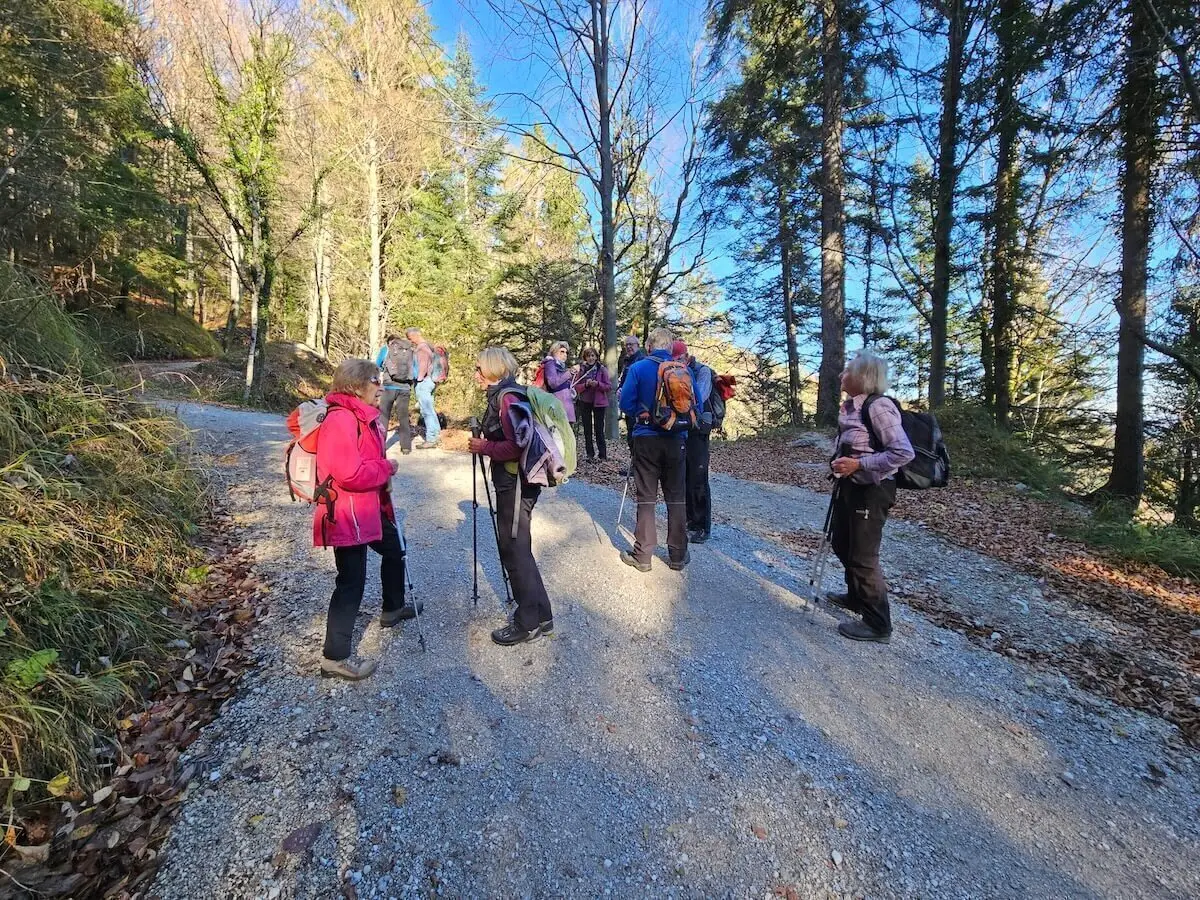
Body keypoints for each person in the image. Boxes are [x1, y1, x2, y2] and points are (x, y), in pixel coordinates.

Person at [313, 359, 422, 680]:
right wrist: (386, 469)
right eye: (376, 380)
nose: (381, 386)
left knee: (394, 549)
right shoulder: (341, 420)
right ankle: (334, 658)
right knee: (350, 582)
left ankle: (392, 607)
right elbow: (348, 473)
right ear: (355, 386)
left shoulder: (359, 415)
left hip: (367, 509)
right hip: (347, 513)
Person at [466, 348, 554, 646]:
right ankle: (543, 614)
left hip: (516, 483)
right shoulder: (506, 394)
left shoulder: (507, 399)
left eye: (479, 368)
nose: (476, 373)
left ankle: (527, 623)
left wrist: (483, 447)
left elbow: (516, 447)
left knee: (513, 549)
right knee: (519, 547)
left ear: (493, 369)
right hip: (517, 482)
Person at [827, 350, 914, 644]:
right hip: (851, 485)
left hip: (873, 489)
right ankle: (856, 597)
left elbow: (902, 452)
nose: (842, 375)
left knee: (864, 556)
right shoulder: (851, 406)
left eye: (848, 370)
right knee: (840, 541)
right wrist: (841, 463)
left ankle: (879, 624)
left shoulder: (879, 407)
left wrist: (859, 464)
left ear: (863, 377)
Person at [618, 327, 689, 572]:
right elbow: (695, 405)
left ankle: (643, 556)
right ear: (670, 347)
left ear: (648, 346)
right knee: (676, 496)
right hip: (677, 438)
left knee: (647, 498)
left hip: (646, 438)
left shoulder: (638, 368)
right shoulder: (682, 370)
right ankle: (678, 555)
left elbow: (625, 403)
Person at [673, 340, 713, 544]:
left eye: (678, 358)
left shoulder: (702, 372)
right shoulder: (675, 371)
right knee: (685, 475)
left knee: (698, 477)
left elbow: (700, 396)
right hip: (683, 429)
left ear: (686, 356)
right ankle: (690, 520)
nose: (676, 362)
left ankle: (702, 526)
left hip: (699, 430)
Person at [374, 333, 413, 454]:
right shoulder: (409, 351)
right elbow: (414, 370)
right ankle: (406, 447)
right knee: (404, 417)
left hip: (389, 387)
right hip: (405, 388)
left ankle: (380, 446)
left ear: (389, 342)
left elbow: (377, 365)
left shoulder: (386, 350)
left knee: (384, 416)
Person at [573, 346, 611, 460]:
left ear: (596, 357)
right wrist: (586, 384)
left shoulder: (602, 369)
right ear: (585, 357)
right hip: (585, 402)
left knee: (599, 429)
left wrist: (598, 384)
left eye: (592, 355)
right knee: (587, 429)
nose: (590, 358)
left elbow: (608, 386)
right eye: (588, 356)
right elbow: (576, 387)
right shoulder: (582, 370)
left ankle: (602, 455)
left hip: (599, 403)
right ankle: (590, 454)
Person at [407, 327, 440, 449]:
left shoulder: (422, 349)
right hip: (430, 381)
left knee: (426, 411)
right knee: (430, 409)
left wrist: (418, 379)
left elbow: (422, 366)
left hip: (424, 382)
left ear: (415, 336)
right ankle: (435, 435)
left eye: (410, 338)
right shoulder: (428, 346)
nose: (411, 341)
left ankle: (431, 439)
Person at [541, 341, 576, 425]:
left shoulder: (560, 366)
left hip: (564, 406)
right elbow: (553, 383)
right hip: (557, 406)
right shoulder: (550, 364)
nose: (565, 354)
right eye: (562, 352)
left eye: (566, 352)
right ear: (554, 352)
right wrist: (569, 373)